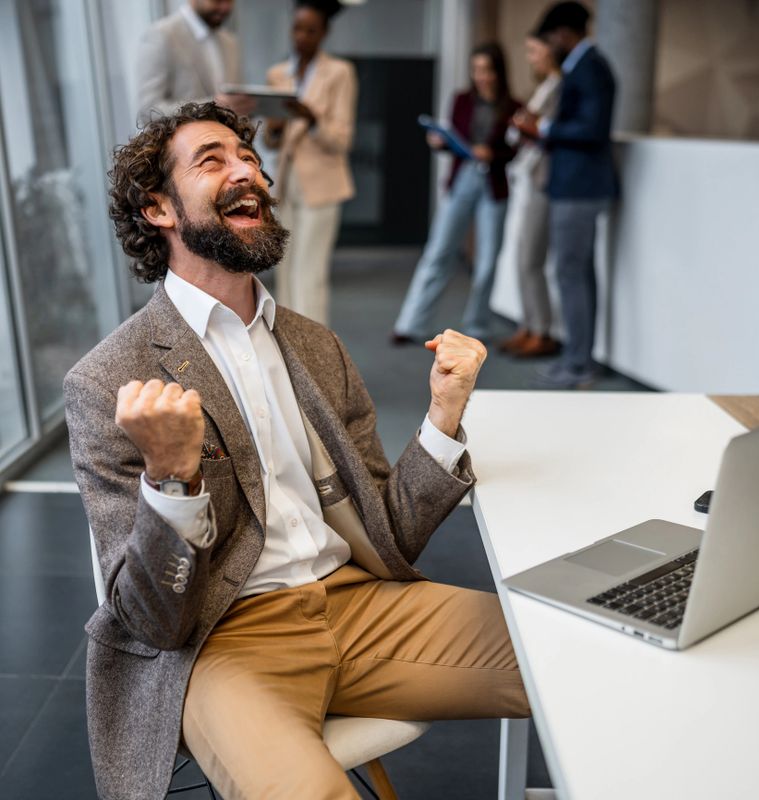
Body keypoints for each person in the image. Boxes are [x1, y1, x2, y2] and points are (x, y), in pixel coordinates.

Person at [64, 102, 529, 800]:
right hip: (224, 641)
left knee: (574, 662)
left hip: (362, 605)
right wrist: (170, 477)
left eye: (249, 159)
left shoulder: (316, 345)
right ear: (159, 209)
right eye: (212, 160)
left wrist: (443, 415)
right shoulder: (109, 380)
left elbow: (390, 531)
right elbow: (152, 620)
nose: (247, 171)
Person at [392, 43, 521, 344]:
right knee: (438, 251)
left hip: (493, 183)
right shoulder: (463, 100)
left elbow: (513, 149)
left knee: (488, 259)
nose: (481, 76)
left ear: (499, 72)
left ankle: (477, 325)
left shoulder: (513, 106)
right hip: (463, 177)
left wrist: (493, 153)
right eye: (476, 70)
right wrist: (441, 143)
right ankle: (410, 324)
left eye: (487, 70)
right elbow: (455, 139)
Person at [518, 1, 616, 388]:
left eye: (551, 37)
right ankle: (581, 357)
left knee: (570, 272)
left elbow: (591, 129)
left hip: (579, 186)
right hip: (576, 184)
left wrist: (545, 128)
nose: (550, 44)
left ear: (563, 34)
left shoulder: (589, 68)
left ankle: (578, 363)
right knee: (577, 271)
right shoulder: (585, 66)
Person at [264, 0, 357, 327]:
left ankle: (314, 352)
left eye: (311, 30)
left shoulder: (340, 73)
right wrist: (273, 131)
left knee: (310, 272)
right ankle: (287, 342)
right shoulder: (278, 74)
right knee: (285, 269)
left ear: (324, 33)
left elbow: (342, 140)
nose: (302, 36)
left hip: (322, 185)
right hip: (286, 183)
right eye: (297, 28)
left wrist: (311, 119)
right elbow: (271, 141)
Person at [495, 30, 562, 358]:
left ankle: (542, 330)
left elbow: (548, 132)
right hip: (529, 178)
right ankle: (530, 324)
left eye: (535, 51)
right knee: (523, 257)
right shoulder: (544, 87)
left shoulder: (561, 87)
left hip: (545, 180)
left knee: (531, 258)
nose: (531, 58)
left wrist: (530, 127)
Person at [136, 0, 253, 125]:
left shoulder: (230, 42)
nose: (224, 8)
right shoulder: (161, 35)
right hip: (185, 142)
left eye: (229, 1)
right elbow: (148, 111)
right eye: (217, 1)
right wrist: (211, 106)